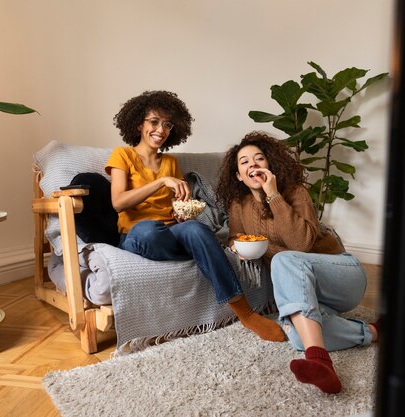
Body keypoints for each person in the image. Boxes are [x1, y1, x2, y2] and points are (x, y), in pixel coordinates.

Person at [106, 91, 284, 342]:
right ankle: (203, 251)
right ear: (138, 124)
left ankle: (246, 314)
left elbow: (175, 208)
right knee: (149, 230)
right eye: (154, 122)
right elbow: (118, 202)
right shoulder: (122, 155)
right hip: (136, 234)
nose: (161, 129)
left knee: (196, 229)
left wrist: (183, 211)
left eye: (167, 124)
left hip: (170, 232)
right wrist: (161, 182)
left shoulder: (170, 162)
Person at [216, 131, 378, 394]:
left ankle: (318, 359)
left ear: (270, 166)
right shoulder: (239, 204)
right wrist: (237, 247)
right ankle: (370, 332)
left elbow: (301, 243)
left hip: (340, 274)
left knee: (283, 258)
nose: (253, 165)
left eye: (259, 158)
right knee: (296, 335)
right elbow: (236, 237)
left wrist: (273, 195)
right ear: (238, 175)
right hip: (307, 289)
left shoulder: (295, 192)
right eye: (244, 162)